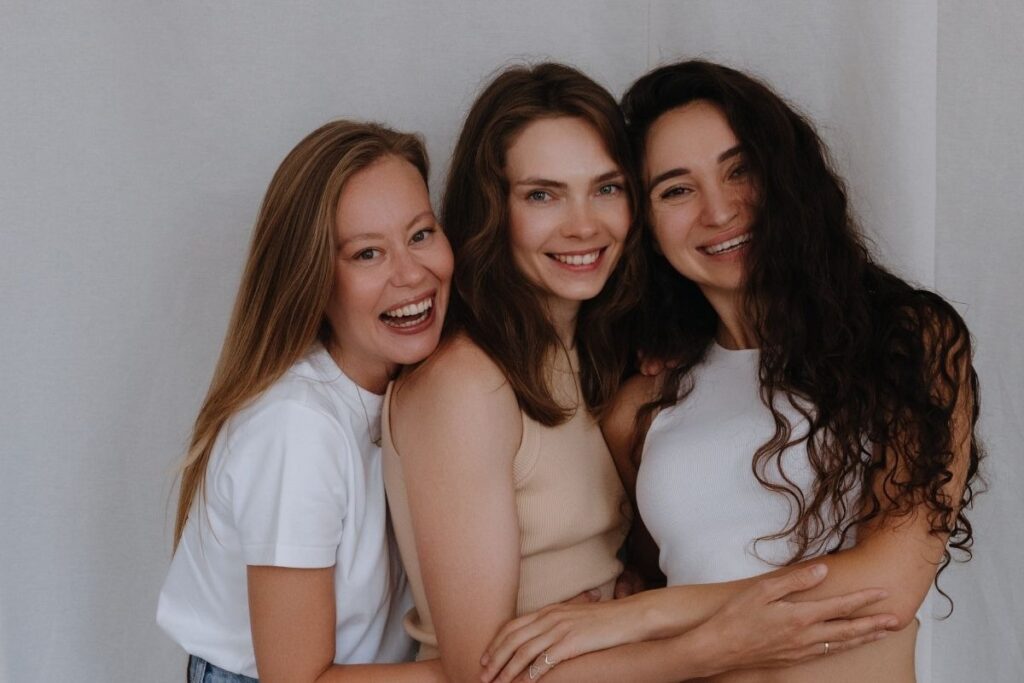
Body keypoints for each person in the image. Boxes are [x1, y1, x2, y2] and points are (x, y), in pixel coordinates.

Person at [383, 62, 899, 683]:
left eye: (606, 188)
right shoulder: (466, 384)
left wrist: (632, 596)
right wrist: (713, 647)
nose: (583, 223)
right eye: (541, 194)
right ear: (492, 210)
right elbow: (480, 674)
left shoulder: (596, 362)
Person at [479, 60, 981, 683]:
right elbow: (654, 578)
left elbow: (884, 590)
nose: (719, 212)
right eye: (676, 189)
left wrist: (637, 617)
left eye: (740, 170)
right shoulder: (640, 404)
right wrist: (639, 611)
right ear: (646, 226)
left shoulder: (910, 343)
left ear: (786, 176)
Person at [157, 121, 453, 683]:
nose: (412, 273)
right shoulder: (296, 427)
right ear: (313, 277)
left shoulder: (413, 382)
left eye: (420, 234)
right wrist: (482, 668)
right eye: (368, 254)